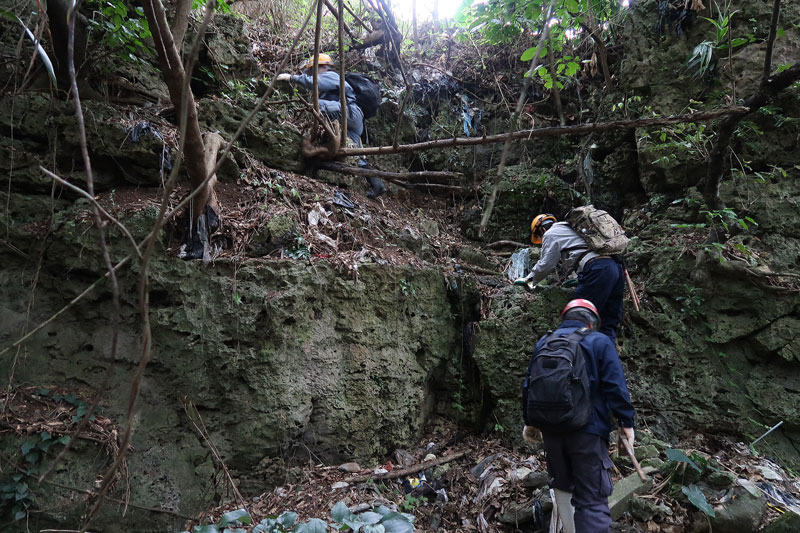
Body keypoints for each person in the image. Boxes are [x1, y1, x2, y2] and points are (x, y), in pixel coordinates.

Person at [523, 299, 635, 533]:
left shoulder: (545, 341)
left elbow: (529, 384)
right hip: (587, 433)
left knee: (563, 488)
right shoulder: (599, 342)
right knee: (592, 499)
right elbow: (616, 387)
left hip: (552, 433)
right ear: (592, 321)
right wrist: (626, 424)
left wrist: (530, 422)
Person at [276, 54, 386, 198]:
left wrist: (292, 78)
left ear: (321, 67)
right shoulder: (334, 81)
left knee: (316, 105)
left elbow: (314, 83)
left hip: (350, 112)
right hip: (354, 120)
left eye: (312, 70)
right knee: (356, 153)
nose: (312, 74)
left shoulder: (332, 76)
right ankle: (377, 184)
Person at [516, 213, 625, 340]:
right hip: (616, 268)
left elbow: (547, 264)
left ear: (541, 229)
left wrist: (530, 279)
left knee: (578, 319)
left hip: (597, 269)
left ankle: (574, 356)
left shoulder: (550, 233)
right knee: (607, 323)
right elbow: (583, 251)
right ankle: (605, 355)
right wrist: (581, 278)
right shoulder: (573, 227)